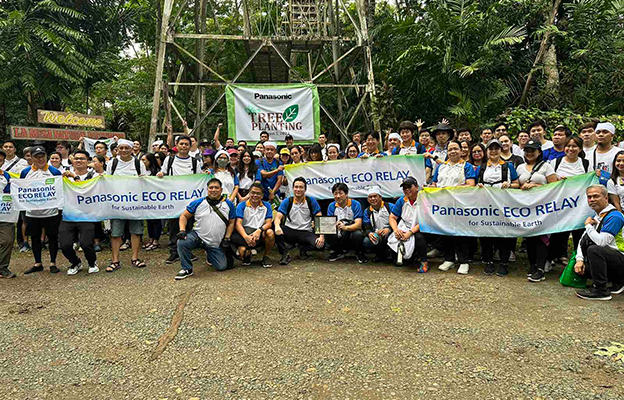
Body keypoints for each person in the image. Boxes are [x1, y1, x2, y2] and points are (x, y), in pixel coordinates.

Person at [430, 141, 476, 274]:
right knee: (446, 232)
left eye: (456, 148)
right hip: (443, 205)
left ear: (461, 151)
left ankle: (463, 261)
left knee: (461, 233)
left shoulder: (466, 166)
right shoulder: (441, 167)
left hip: (460, 205)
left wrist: (451, 189)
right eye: (450, 149)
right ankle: (448, 259)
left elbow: (471, 184)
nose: (453, 151)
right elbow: (435, 183)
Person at [175, 178, 236, 279]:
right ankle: (187, 268)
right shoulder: (198, 202)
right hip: (198, 237)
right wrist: (182, 230)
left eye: (216, 187)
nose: (213, 190)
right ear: (207, 189)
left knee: (222, 266)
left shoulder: (229, 204)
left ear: (221, 190)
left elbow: (231, 222)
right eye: (211, 188)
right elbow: (184, 216)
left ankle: (210, 254)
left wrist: (227, 238)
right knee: (182, 242)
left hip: (214, 243)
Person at [476, 139, 520, 276]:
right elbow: (476, 184)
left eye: (496, 148)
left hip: (503, 204)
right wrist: (479, 186)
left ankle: (503, 262)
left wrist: (509, 185)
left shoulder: (508, 166)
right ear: (487, 151)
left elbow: (517, 183)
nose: (494, 151)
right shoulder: (482, 167)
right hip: (486, 205)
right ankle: (488, 261)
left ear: (501, 150)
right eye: (491, 149)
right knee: (486, 232)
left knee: (504, 233)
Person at [516, 140, 557, 282]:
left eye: (532, 150)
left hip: (542, 207)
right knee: (530, 236)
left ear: (539, 152)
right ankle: (532, 265)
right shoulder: (520, 167)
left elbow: (555, 186)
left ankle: (541, 268)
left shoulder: (546, 166)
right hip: (526, 208)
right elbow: (516, 185)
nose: (529, 153)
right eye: (527, 150)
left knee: (542, 236)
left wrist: (536, 185)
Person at [574, 185, 624, 300]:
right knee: (581, 269)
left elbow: (602, 242)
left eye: (596, 196)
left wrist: (588, 226)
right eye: (589, 197)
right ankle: (616, 282)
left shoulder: (615, 216)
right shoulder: (598, 216)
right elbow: (582, 240)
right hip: (612, 259)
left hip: (621, 257)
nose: (592, 199)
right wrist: (579, 260)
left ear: (606, 198)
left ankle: (601, 290)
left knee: (595, 250)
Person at [157, 135, 200, 263]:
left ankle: (187, 251)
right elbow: (163, 173)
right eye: (181, 144)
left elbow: (199, 178)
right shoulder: (169, 160)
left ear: (190, 146)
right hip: (174, 199)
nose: (184, 146)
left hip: (189, 200)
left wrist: (207, 174)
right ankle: (174, 252)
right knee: (173, 226)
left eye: (186, 144)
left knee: (189, 226)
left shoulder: (195, 162)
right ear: (177, 145)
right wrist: (160, 174)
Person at [105, 139, 148, 272]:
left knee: (136, 232)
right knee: (116, 233)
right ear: (117, 150)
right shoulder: (112, 163)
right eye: (121, 148)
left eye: (126, 148)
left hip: (135, 204)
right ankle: (115, 261)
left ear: (131, 149)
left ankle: (135, 258)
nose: (124, 150)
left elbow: (145, 182)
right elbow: (107, 181)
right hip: (118, 205)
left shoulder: (138, 163)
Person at [549, 136, 591, 267]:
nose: (570, 149)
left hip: (580, 205)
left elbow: (590, 182)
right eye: (568, 146)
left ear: (580, 149)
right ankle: (557, 255)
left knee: (579, 232)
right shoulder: (555, 162)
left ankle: (579, 259)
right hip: (560, 204)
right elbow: (549, 182)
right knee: (559, 231)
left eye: (574, 146)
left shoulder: (586, 164)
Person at [21, 145, 63, 275]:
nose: (40, 159)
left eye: (42, 156)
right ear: (31, 158)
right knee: (35, 237)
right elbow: (21, 189)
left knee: (52, 237)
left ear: (46, 156)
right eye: (37, 157)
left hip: (51, 212)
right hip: (32, 212)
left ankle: (53, 263)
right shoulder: (25, 172)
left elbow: (60, 190)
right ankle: (37, 263)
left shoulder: (54, 172)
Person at [59, 150, 99, 275]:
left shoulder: (94, 176)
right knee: (64, 245)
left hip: (87, 215)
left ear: (88, 161)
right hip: (68, 215)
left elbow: (84, 191)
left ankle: (92, 263)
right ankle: (75, 262)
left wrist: (74, 177)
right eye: (76, 158)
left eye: (82, 158)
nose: (79, 161)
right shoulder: (64, 175)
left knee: (86, 244)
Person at [273, 177, 324, 265]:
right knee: (273, 226)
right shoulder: (287, 201)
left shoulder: (311, 201)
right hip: (290, 230)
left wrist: (321, 236)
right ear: (293, 188)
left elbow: (319, 218)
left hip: (306, 231)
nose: (298, 189)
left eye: (301, 187)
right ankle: (284, 253)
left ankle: (303, 247)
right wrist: (277, 226)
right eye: (296, 187)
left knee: (320, 246)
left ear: (305, 189)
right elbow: (278, 217)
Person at [388, 177, 428, 272]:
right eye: (404, 188)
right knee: (390, 237)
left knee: (419, 237)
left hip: (420, 227)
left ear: (417, 187)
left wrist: (410, 232)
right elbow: (392, 217)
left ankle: (424, 262)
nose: (407, 190)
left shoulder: (424, 200)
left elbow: (425, 221)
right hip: (404, 225)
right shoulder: (401, 200)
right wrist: (396, 230)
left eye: (409, 187)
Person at [232, 182, 274, 268]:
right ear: (249, 193)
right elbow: (238, 224)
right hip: (245, 233)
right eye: (253, 192)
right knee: (242, 251)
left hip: (259, 234)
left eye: (258, 193)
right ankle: (248, 253)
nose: (255, 195)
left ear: (262, 196)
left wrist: (259, 230)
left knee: (270, 233)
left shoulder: (267, 206)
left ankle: (266, 256)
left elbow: (269, 223)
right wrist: (246, 237)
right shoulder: (242, 205)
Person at [326, 183, 365, 263]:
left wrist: (345, 227)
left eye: (340, 193)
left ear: (346, 194)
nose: (338, 196)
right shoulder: (331, 206)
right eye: (335, 194)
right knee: (327, 232)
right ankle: (338, 252)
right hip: (339, 232)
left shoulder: (355, 204)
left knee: (358, 234)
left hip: (351, 232)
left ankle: (359, 253)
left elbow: (359, 224)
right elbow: (329, 223)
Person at [362, 186, 393, 262]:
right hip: (376, 233)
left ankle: (391, 254)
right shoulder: (367, 211)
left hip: (390, 231)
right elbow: (366, 226)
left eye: (375, 196)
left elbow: (398, 221)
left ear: (380, 197)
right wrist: (369, 233)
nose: (373, 199)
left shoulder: (390, 206)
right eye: (370, 197)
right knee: (367, 241)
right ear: (367, 200)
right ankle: (379, 255)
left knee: (387, 237)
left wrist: (389, 229)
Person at [140, 153, 162, 251]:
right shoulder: (141, 170)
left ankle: (156, 240)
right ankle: (151, 239)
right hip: (145, 199)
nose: (142, 162)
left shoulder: (157, 172)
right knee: (149, 220)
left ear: (150, 161)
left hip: (156, 199)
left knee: (156, 220)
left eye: (144, 160)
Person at [0, 155, 15, 278]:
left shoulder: (6, 176)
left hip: (5, 214)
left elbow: (11, 192)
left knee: (8, 240)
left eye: (0, 160)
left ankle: (2, 267)